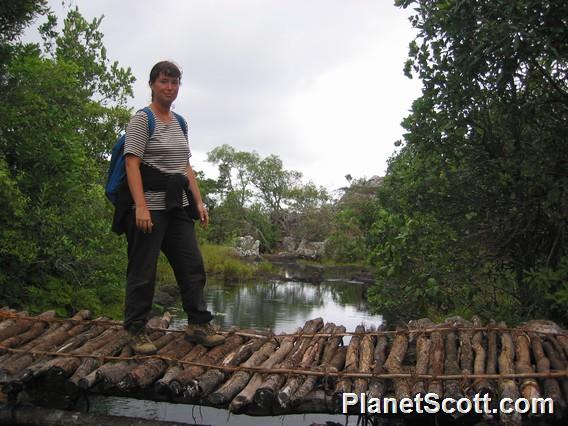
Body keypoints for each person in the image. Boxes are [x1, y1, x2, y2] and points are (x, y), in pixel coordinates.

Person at [118, 60, 225, 355]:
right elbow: (131, 162)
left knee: (192, 265)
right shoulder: (142, 120)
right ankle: (135, 329)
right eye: (164, 81)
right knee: (143, 270)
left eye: (175, 82)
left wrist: (199, 201)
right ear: (152, 84)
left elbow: (185, 166)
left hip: (176, 207)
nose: (170, 87)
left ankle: (197, 325)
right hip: (148, 207)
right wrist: (140, 206)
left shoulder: (180, 122)